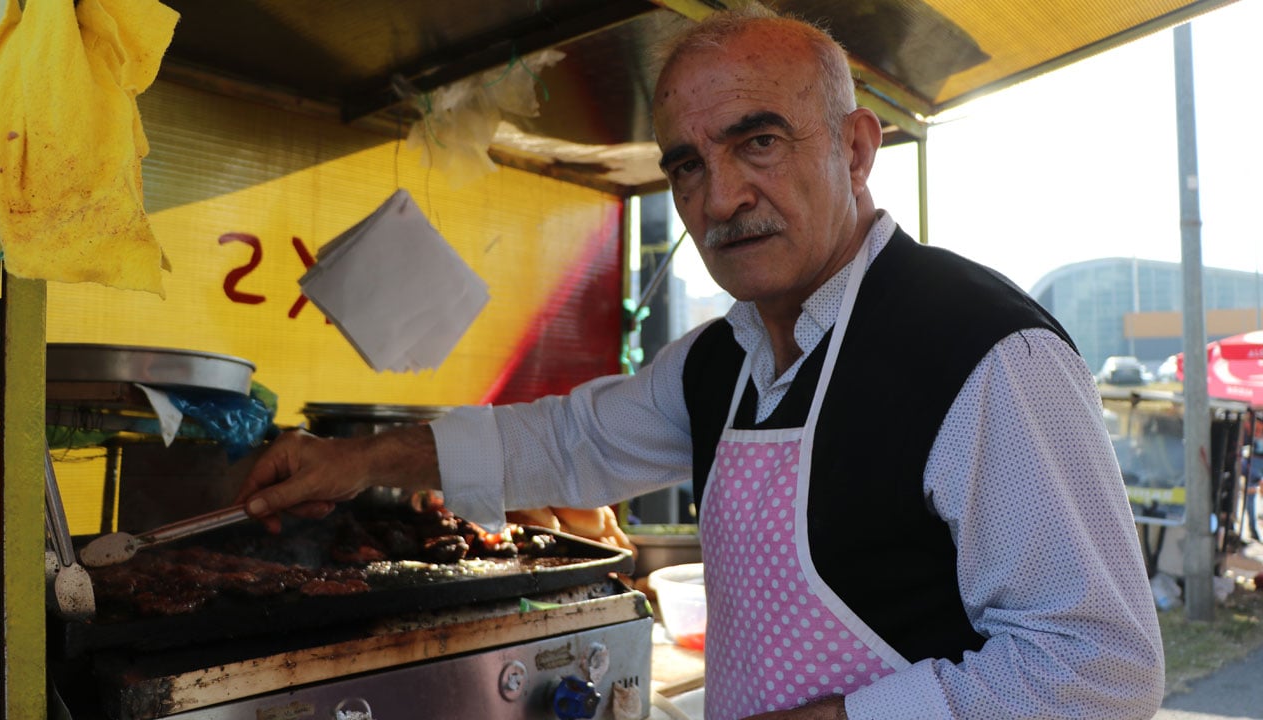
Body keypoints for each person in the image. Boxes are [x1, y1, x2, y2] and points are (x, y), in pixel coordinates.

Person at [237, 6, 1164, 718]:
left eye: (758, 141)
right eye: (686, 164)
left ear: (855, 149)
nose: (720, 198)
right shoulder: (723, 360)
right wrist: (358, 460)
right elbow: (567, 442)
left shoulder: (985, 353)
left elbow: (1098, 667)